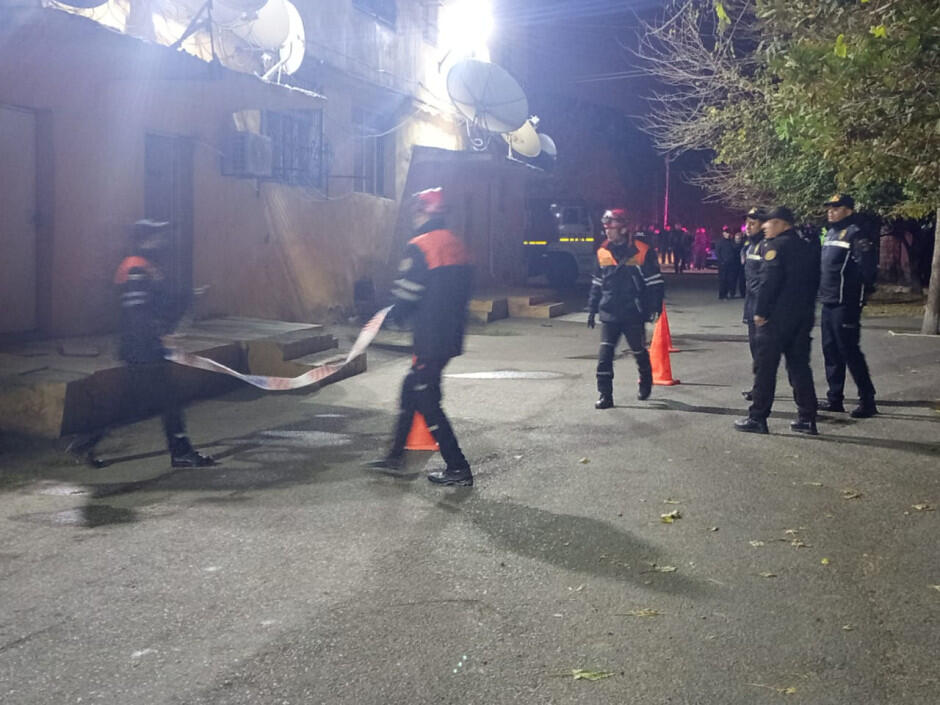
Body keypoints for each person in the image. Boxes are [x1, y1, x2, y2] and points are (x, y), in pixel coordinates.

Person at [66, 220, 216, 468]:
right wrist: (159, 336)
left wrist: (188, 298)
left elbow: (157, 303)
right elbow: (137, 312)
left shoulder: (146, 266)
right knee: (169, 400)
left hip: (144, 348)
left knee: (132, 406)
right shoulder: (135, 267)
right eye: (156, 235)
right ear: (144, 239)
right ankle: (181, 452)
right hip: (142, 349)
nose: (162, 240)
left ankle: (85, 443)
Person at [366, 188, 474, 486]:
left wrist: (391, 317)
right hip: (450, 335)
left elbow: (409, 292)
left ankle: (458, 467)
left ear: (425, 212)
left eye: (417, 210)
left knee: (426, 399)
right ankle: (395, 456)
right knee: (411, 389)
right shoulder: (456, 244)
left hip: (430, 337)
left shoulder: (421, 245)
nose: (414, 216)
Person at [735, 207, 819, 434]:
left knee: (765, 369)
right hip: (801, 317)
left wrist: (760, 312)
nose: (764, 227)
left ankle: (758, 417)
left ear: (783, 224)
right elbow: (814, 282)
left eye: (769, 222)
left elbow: (769, 281)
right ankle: (807, 418)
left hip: (775, 319)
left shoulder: (774, 247)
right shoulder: (807, 247)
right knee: (799, 367)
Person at [587, 208, 664, 409]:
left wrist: (656, 305)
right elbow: (597, 283)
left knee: (638, 351)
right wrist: (592, 308)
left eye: (611, 228)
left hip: (633, 312)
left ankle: (645, 380)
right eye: (605, 228)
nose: (607, 232)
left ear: (623, 228)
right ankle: (605, 395)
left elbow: (655, 282)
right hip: (609, 311)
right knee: (605, 356)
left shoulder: (642, 251)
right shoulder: (602, 251)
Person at [817, 194, 879, 418]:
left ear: (849, 210)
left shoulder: (856, 234)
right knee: (830, 351)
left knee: (850, 351)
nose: (831, 211)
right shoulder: (830, 233)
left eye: (836, 207)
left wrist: (859, 298)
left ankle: (867, 400)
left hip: (846, 304)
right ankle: (835, 399)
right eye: (829, 207)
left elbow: (867, 270)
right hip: (828, 301)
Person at [740, 208, 767, 401]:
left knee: (764, 352)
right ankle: (759, 387)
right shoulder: (750, 246)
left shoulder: (766, 246)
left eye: (753, 223)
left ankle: (762, 389)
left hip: (763, 306)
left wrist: (763, 307)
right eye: (747, 223)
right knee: (755, 349)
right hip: (752, 305)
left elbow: (766, 280)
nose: (748, 227)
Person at [716, 226, 740, 299]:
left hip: (731, 264)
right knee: (722, 280)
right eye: (726, 233)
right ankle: (721, 295)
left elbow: (736, 249)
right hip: (723, 264)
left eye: (729, 233)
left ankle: (727, 294)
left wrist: (737, 241)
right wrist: (721, 261)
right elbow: (717, 253)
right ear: (723, 233)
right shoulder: (720, 242)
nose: (728, 234)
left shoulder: (731, 242)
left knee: (730, 280)